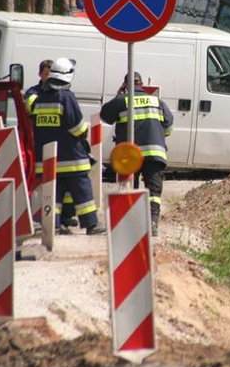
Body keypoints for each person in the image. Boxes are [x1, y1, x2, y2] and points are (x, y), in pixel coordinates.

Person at [29, 57, 105, 235]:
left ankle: (53, 225)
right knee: (82, 192)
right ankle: (91, 225)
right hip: (72, 158)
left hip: (48, 160)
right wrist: (84, 131)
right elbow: (76, 126)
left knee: (54, 195)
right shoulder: (66, 97)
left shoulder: (39, 98)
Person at [100, 72, 173, 236]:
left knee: (130, 189)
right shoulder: (157, 101)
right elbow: (168, 127)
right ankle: (153, 224)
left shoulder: (122, 101)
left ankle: (131, 225)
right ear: (141, 84)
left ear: (125, 85)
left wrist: (118, 95)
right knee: (154, 192)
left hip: (130, 155)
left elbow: (105, 115)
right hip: (155, 153)